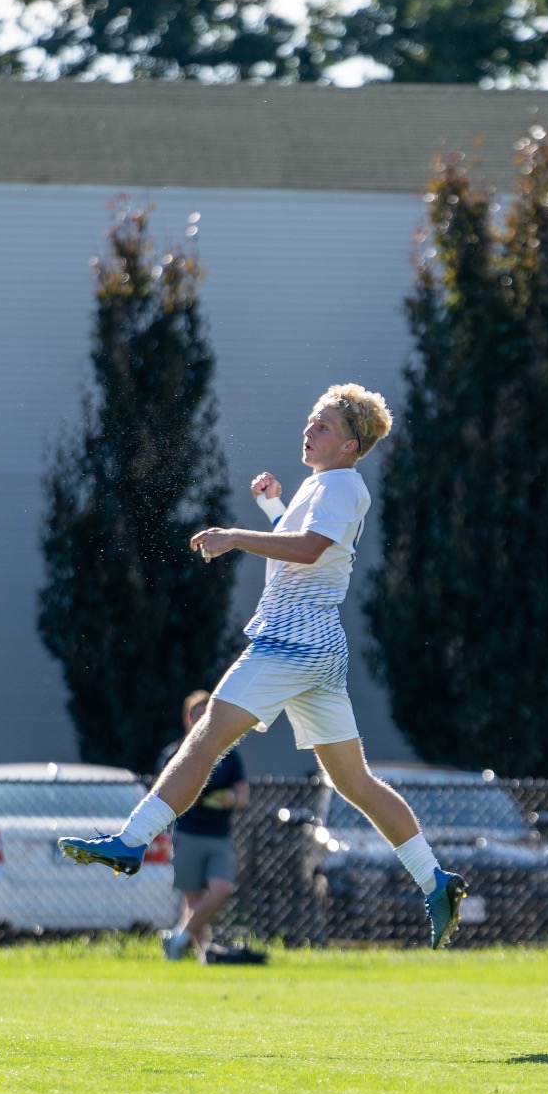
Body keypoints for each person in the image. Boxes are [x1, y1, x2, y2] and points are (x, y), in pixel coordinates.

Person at [59, 385, 469, 948]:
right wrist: (275, 508)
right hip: (314, 648)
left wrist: (233, 537)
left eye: (322, 426)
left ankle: (132, 840)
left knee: (205, 737)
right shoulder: (323, 483)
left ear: (350, 444)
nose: (309, 431)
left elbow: (307, 551)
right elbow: (305, 542)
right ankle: (436, 880)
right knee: (354, 782)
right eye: (310, 420)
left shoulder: (344, 483)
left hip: (292, 642)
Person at [157, 690, 250, 963]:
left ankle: (179, 937)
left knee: (221, 889)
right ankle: (203, 954)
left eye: (209, 715)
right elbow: (166, 794)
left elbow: (243, 795)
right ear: (188, 719)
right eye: (199, 715)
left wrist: (230, 798)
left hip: (219, 835)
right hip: (187, 835)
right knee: (194, 900)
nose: (204, 720)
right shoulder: (174, 755)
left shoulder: (229, 756)